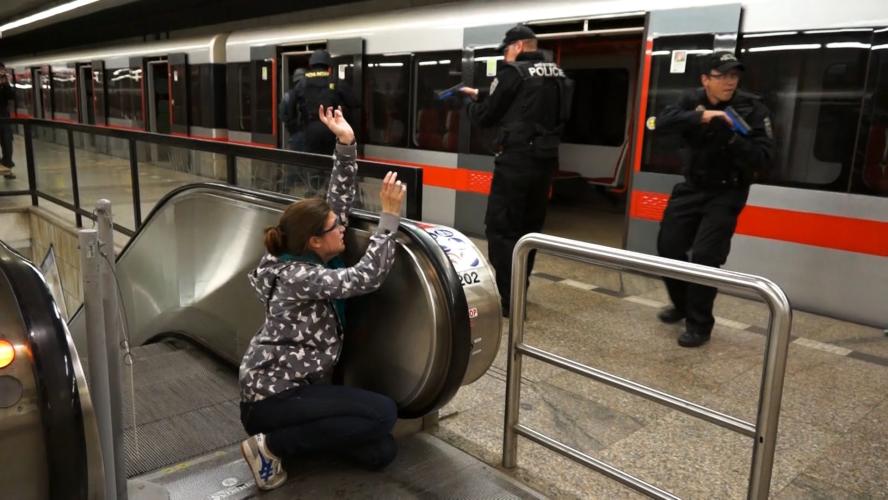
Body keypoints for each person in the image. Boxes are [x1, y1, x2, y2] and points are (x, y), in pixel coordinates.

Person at [239, 105, 407, 490]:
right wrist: (389, 218)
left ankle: (295, 440)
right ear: (315, 241)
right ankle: (270, 446)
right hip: (273, 397)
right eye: (335, 228)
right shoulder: (299, 276)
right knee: (383, 413)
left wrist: (346, 143)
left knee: (381, 451)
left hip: (303, 390)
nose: (342, 227)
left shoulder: (309, 251)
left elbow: (337, 205)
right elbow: (367, 277)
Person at [653, 52, 774, 347]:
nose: (730, 82)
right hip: (692, 187)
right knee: (668, 248)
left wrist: (731, 138)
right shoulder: (690, 99)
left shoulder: (752, 108)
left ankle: (699, 324)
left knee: (706, 256)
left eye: (734, 76)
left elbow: (764, 157)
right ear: (705, 80)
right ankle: (681, 305)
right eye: (722, 76)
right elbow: (660, 122)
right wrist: (703, 116)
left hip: (727, 191)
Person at [459, 24, 572, 317]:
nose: (505, 57)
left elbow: (486, 116)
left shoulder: (512, 73)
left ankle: (509, 301)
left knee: (501, 230)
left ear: (518, 46)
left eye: (506, 51)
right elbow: (524, 101)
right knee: (528, 231)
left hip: (515, 164)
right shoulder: (557, 74)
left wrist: (468, 104)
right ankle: (520, 290)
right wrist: (483, 92)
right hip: (545, 164)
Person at [291, 49, 360, 154]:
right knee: (331, 159)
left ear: (311, 65)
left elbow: (290, 105)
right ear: (329, 67)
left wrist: (295, 128)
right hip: (332, 128)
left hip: (310, 129)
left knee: (312, 159)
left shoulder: (302, 83)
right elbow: (354, 103)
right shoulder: (337, 82)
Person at [279, 67, 306, 151]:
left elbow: (282, 115)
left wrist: (291, 125)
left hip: (294, 134)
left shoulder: (288, 95)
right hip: (308, 134)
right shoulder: (309, 94)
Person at [0, 63, 15, 179]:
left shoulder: (4, 82)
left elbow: (11, 96)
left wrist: (5, 83)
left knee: (7, 144)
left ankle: (7, 168)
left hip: (4, 118)